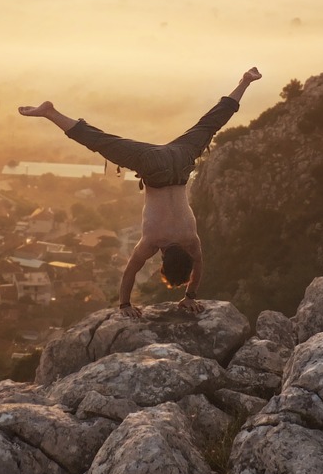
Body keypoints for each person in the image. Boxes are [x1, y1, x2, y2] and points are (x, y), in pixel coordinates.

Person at [19, 67, 262, 318]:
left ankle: (245, 81)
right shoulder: (153, 242)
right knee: (102, 142)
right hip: (153, 167)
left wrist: (191, 295)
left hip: (181, 160)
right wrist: (125, 305)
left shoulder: (192, 241)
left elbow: (198, 266)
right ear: (162, 265)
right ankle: (49, 112)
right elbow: (130, 272)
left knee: (210, 123)